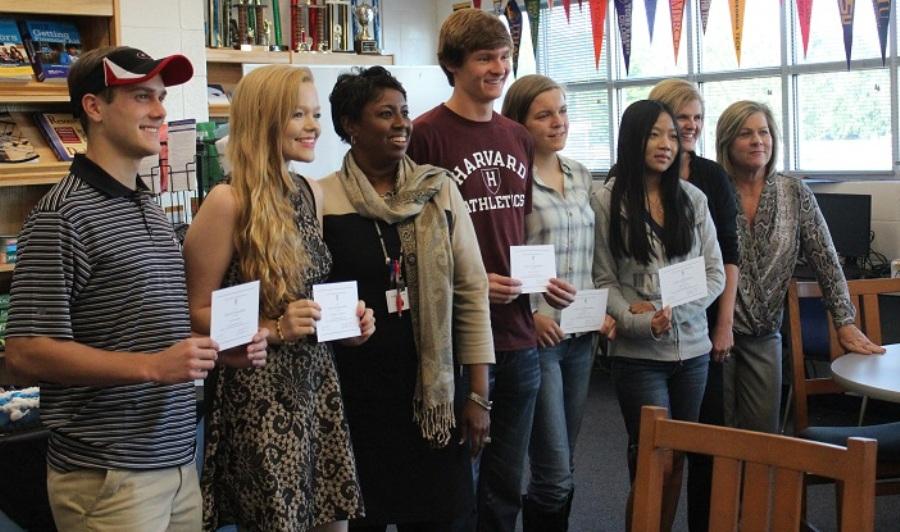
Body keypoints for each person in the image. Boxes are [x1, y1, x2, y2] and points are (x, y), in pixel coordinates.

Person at [4, 45, 267, 531]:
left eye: (161, 97)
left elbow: (147, 327)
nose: (161, 110)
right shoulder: (61, 217)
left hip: (174, 460)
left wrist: (216, 354)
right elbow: (24, 352)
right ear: (94, 107)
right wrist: (151, 367)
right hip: (108, 475)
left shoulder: (146, 208)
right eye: (143, 96)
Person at [183, 64, 374, 532]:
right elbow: (195, 312)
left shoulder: (308, 191)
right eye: (297, 115)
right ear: (265, 119)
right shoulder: (228, 202)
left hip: (316, 388)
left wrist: (347, 325)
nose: (314, 127)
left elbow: (309, 296)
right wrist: (274, 327)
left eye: (314, 114)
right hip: (258, 398)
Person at [407, 9, 576, 532]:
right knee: (456, 482)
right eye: (485, 58)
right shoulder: (425, 137)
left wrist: (538, 283)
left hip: (520, 335)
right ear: (453, 65)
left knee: (505, 485)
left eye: (504, 57)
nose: (499, 68)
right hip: (458, 340)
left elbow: (514, 230)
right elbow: (413, 244)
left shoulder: (518, 138)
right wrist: (471, 286)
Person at [321, 65, 493, 532]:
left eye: (405, 112)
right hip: (358, 399)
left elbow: (472, 291)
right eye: (385, 114)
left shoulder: (438, 191)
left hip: (433, 398)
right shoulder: (321, 199)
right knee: (365, 517)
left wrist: (478, 393)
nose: (401, 123)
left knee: (441, 517)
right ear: (350, 125)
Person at [592, 100, 725, 531]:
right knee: (654, 457)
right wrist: (640, 322)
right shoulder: (605, 201)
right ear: (633, 139)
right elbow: (601, 282)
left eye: (672, 135)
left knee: (678, 457)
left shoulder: (692, 199)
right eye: (655, 135)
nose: (667, 144)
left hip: (693, 352)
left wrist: (675, 311)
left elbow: (714, 273)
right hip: (638, 353)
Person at [714, 101, 883, 435]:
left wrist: (844, 321)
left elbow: (826, 260)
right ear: (727, 142)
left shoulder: (794, 193)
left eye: (764, 132)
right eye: (746, 134)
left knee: (764, 438)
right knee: (714, 438)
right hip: (714, 334)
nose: (757, 141)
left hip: (763, 336)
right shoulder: (712, 189)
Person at [501, 74, 615, 531]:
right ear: (519, 122)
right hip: (539, 336)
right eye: (544, 114)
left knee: (564, 458)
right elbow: (501, 253)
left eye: (562, 111)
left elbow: (595, 254)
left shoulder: (580, 174)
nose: (557, 122)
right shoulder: (513, 180)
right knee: (553, 471)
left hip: (582, 334)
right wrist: (530, 313)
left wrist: (604, 308)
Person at [645, 79, 740, 532]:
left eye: (697, 118)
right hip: (650, 334)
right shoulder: (626, 181)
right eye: (682, 117)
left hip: (703, 329)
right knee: (656, 450)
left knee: (705, 438)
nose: (690, 126)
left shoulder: (710, 179)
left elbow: (729, 258)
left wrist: (724, 324)